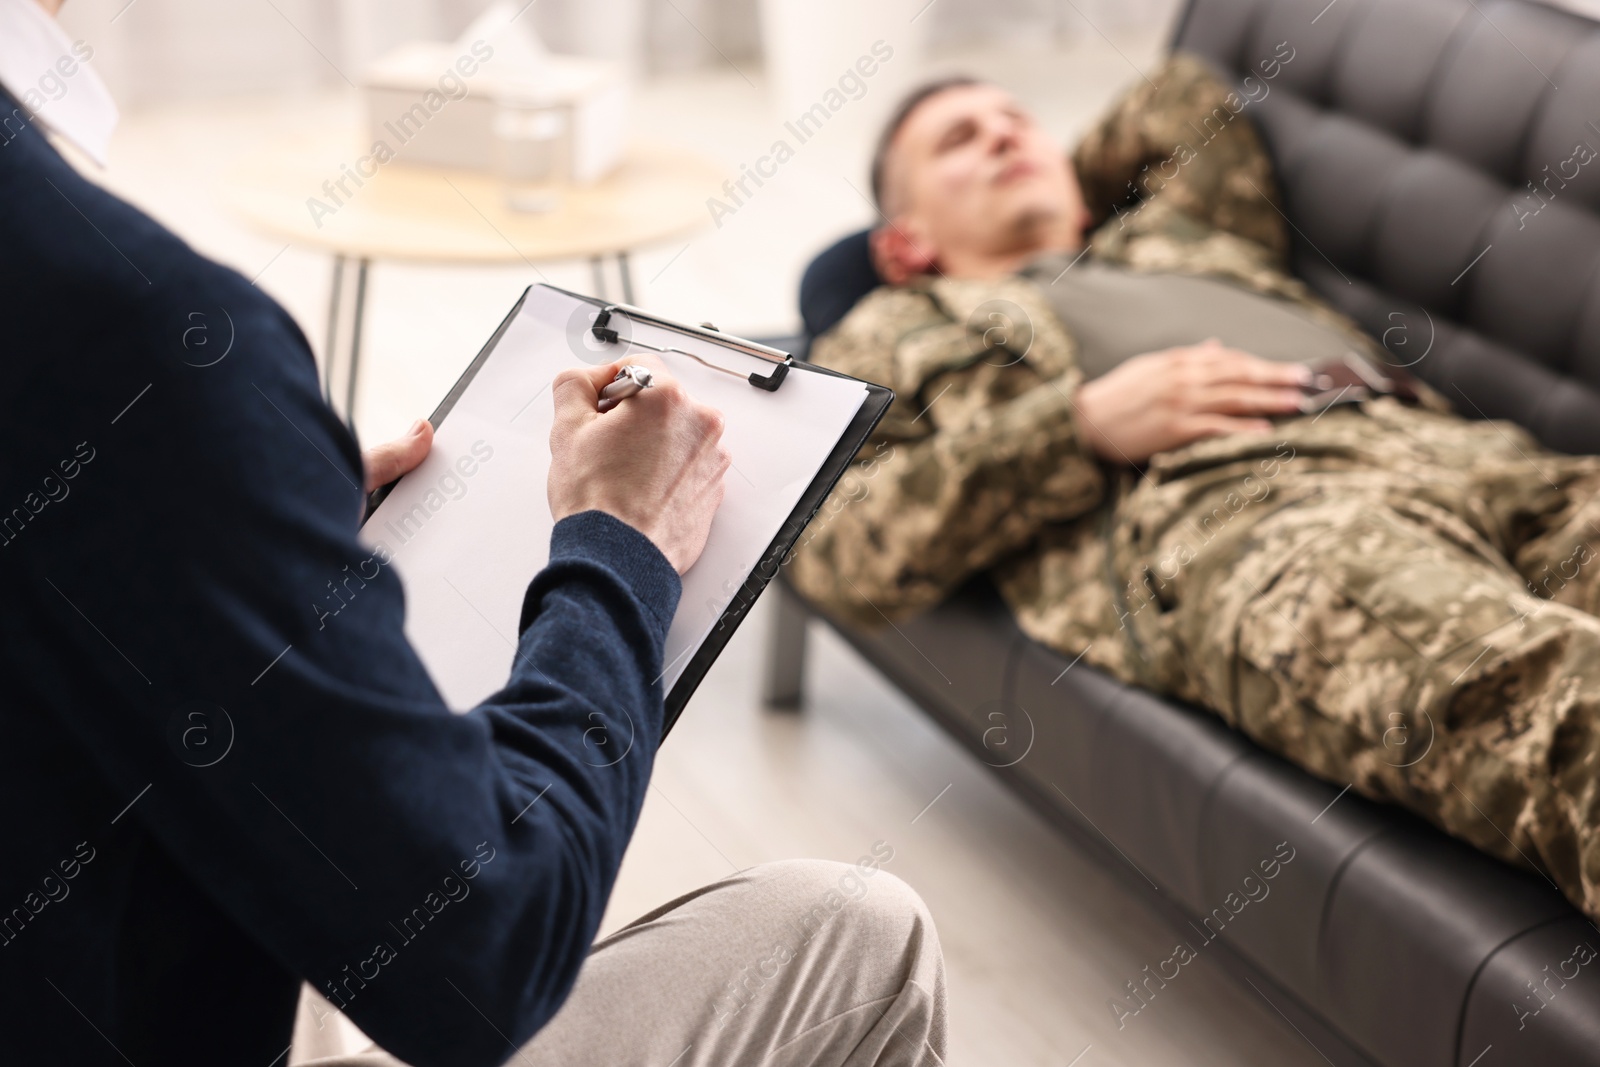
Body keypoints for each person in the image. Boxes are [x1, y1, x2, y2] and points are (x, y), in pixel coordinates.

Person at [0, 1, 946, 1065]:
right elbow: (480, 943)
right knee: (862, 937)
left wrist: (231, 527)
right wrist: (618, 546)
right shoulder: (126, 329)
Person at [789, 53, 1600, 924]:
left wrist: (1063, 183)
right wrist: (1078, 425)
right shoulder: (892, 329)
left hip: (1472, 454)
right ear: (904, 241)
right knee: (1551, 696)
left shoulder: (1181, 231)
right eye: (959, 140)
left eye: (1015, 122)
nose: (1000, 136)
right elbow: (831, 546)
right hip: (1255, 516)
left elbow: (1178, 95)